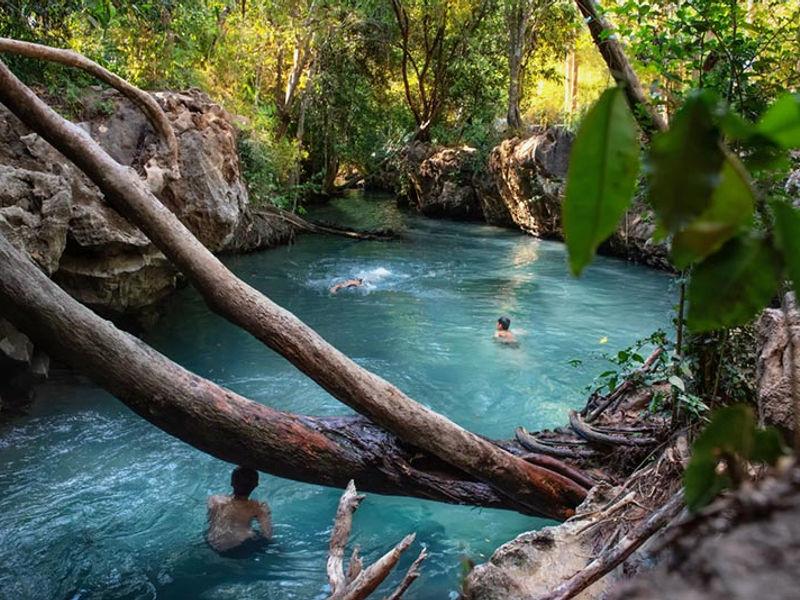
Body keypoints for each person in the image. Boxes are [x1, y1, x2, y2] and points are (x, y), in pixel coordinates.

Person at [206, 466, 272, 553]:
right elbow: (267, 534)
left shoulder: (214, 500)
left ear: (232, 483)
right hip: (239, 547)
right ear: (256, 485)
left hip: (212, 544)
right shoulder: (259, 507)